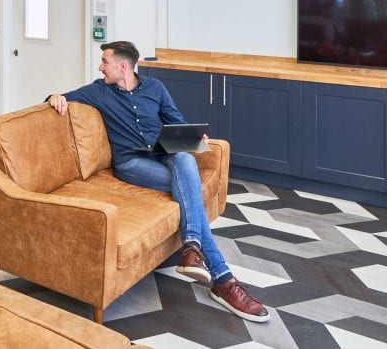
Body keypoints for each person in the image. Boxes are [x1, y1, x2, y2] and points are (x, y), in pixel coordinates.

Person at [47, 40, 270, 323]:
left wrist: (192, 136)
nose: (100, 67)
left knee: (185, 160)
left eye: (105, 62)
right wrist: (54, 97)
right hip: (132, 163)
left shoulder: (155, 88)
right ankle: (223, 279)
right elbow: (59, 97)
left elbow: (175, 120)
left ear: (122, 66)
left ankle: (193, 248)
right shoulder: (99, 91)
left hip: (163, 151)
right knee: (189, 188)